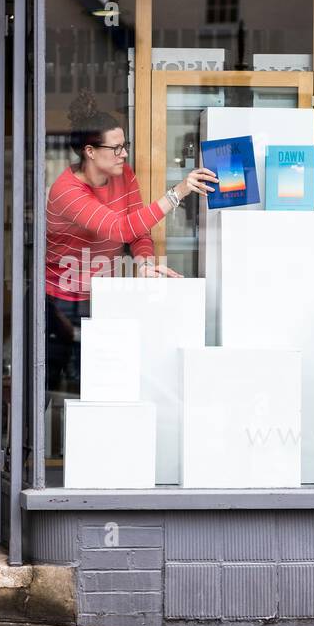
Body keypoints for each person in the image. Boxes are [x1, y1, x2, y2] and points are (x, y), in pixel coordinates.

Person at [45, 91, 217, 397]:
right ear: (90, 152)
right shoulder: (67, 191)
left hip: (103, 296)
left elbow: (138, 232)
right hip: (60, 302)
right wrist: (176, 193)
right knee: (50, 390)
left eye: (125, 146)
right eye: (116, 148)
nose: (124, 154)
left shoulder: (122, 174)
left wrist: (145, 263)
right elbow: (121, 229)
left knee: (103, 388)